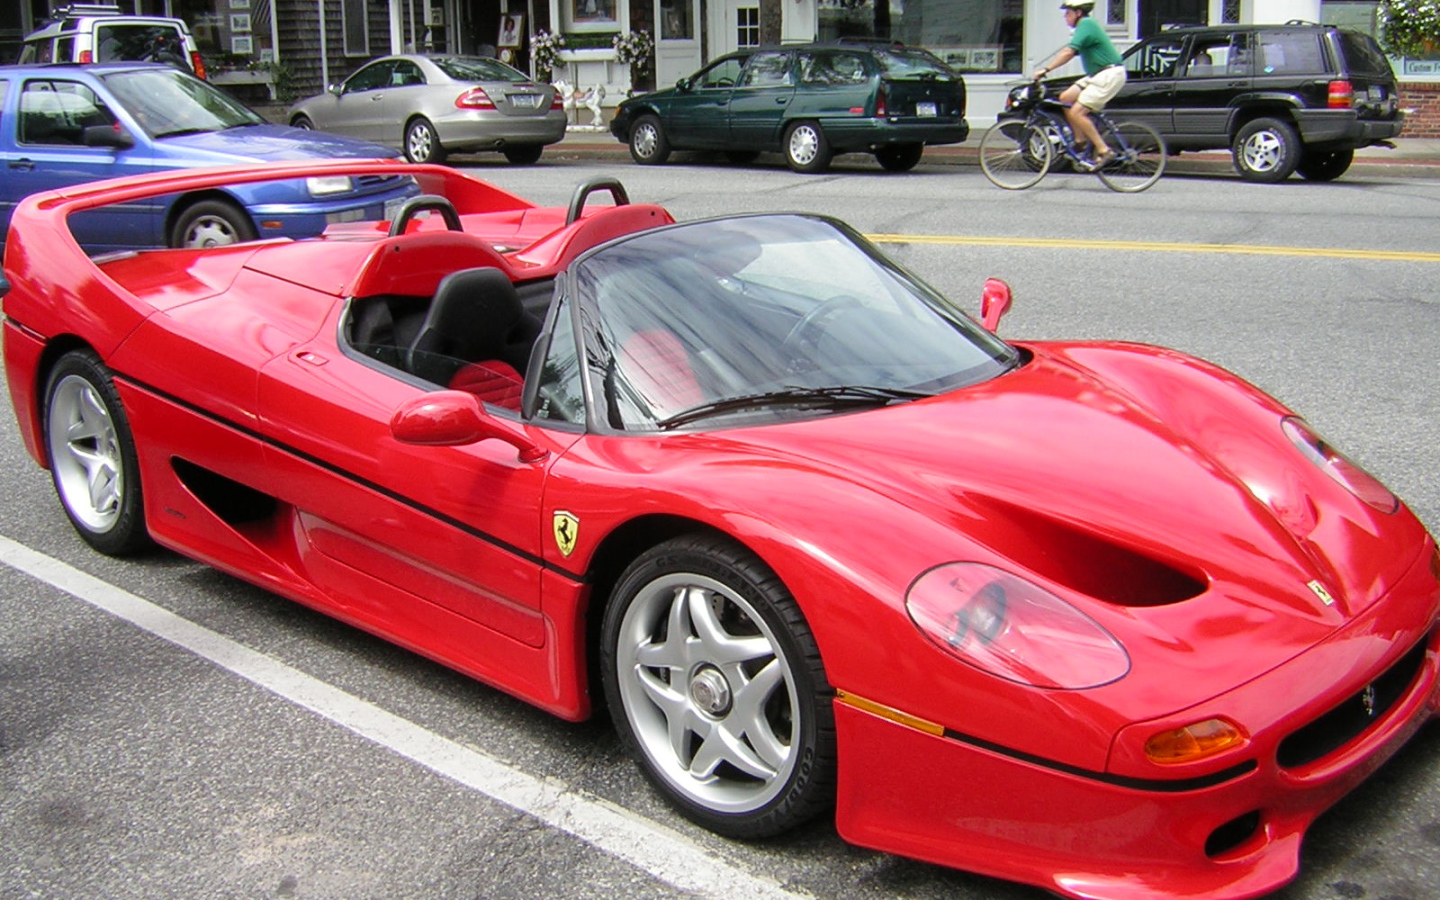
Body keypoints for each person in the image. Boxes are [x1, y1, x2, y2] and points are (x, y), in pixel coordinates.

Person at [1033, 0, 1125, 170]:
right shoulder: (1083, 28)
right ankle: (1080, 140)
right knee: (1066, 98)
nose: (1065, 17)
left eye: (1068, 13)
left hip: (1109, 74)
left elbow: (1069, 52)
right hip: (1096, 75)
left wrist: (1046, 69)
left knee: (1077, 112)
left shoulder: (1086, 24)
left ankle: (1104, 150)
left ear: (1079, 13)